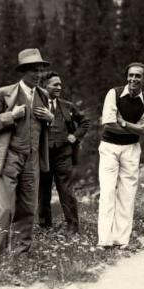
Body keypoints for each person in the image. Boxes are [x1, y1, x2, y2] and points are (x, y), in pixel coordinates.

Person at [0, 48, 53, 258]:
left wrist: (50, 118)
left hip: (32, 159)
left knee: (28, 209)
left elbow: (43, 129)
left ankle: (21, 255)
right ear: (23, 71)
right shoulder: (3, 93)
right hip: (8, 158)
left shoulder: (44, 95)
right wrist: (10, 116)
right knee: (4, 210)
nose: (39, 75)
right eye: (34, 70)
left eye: (41, 70)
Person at [97, 62, 144, 248]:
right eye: (131, 75)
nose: (133, 79)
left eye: (138, 76)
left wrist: (124, 124)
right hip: (109, 148)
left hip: (131, 149)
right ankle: (104, 240)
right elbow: (108, 124)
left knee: (127, 194)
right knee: (107, 192)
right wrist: (133, 128)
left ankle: (122, 240)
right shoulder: (113, 94)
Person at [37, 71, 90, 234]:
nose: (59, 87)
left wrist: (75, 136)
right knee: (43, 191)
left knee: (66, 189)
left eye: (60, 84)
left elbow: (84, 122)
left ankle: (72, 226)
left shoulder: (67, 106)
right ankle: (45, 227)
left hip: (63, 154)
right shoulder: (36, 106)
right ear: (44, 86)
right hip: (43, 154)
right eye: (55, 84)